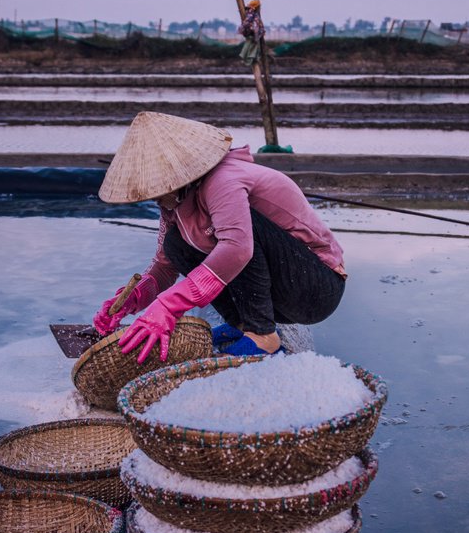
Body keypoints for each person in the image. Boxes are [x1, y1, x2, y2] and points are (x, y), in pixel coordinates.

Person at [92, 111, 346, 364]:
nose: (153, 197)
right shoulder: (175, 206)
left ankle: (263, 336)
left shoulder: (223, 180)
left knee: (237, 237)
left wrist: (170, 305)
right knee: (175, 244)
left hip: (315, 288)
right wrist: (132, 300)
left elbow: (237, 249)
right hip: (279, 295)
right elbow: (164, 267)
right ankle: (243, 324)